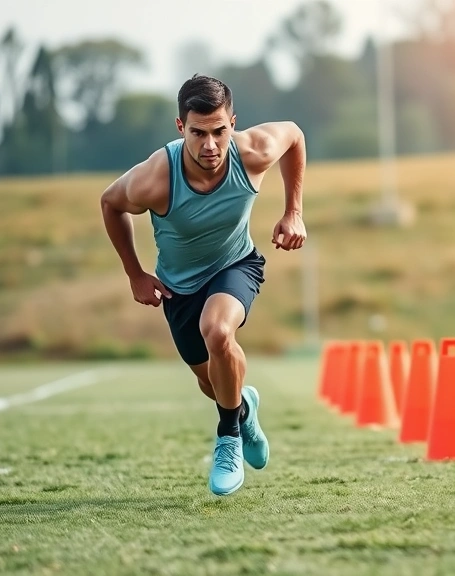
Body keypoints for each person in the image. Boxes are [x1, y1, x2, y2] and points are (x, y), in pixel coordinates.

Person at [99, 74, 307, 496]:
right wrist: (135, 274)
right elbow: (110, 202)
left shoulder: (254, 151)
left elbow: (296, 136)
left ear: (233, 122)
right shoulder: (154, 179)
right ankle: (243, 409)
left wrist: (293, 210)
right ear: (181, 128)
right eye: (198, 133)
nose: (210, 145)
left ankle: (227, 439)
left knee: (218, 330)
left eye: (219, 131)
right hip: (179, 289)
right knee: (212, 382)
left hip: (236, 265)